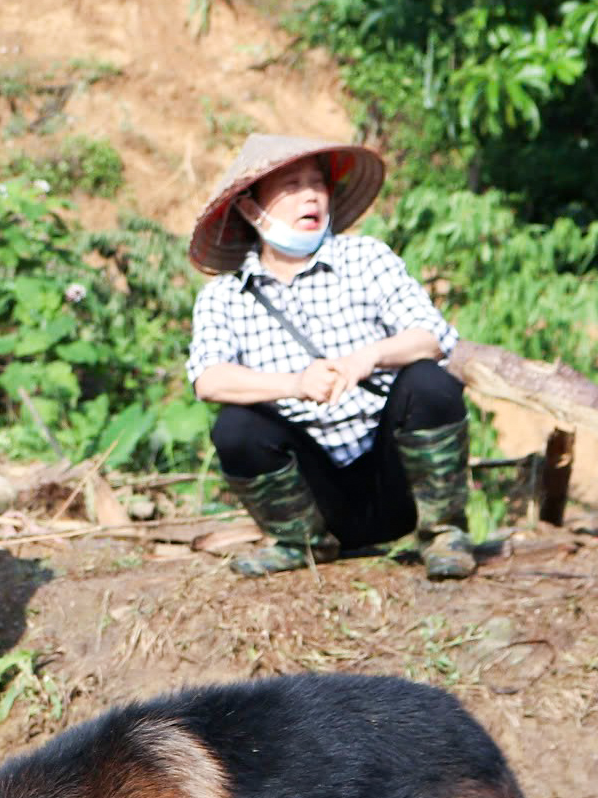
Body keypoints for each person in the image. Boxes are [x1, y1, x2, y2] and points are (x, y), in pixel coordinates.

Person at [186, 134, 476, 580]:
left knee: (429, 383)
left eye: (317, 184)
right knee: (236, 426)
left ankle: (443, 533)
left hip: (394, 475)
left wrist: (370, 357)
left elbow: (431, 337)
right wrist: (294, 385)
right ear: (251, 209)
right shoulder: (223, 298)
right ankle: (301, 544)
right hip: (315, 492)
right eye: (292, 186)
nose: (310, 195)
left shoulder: (367, 258)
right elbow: (209, 379)